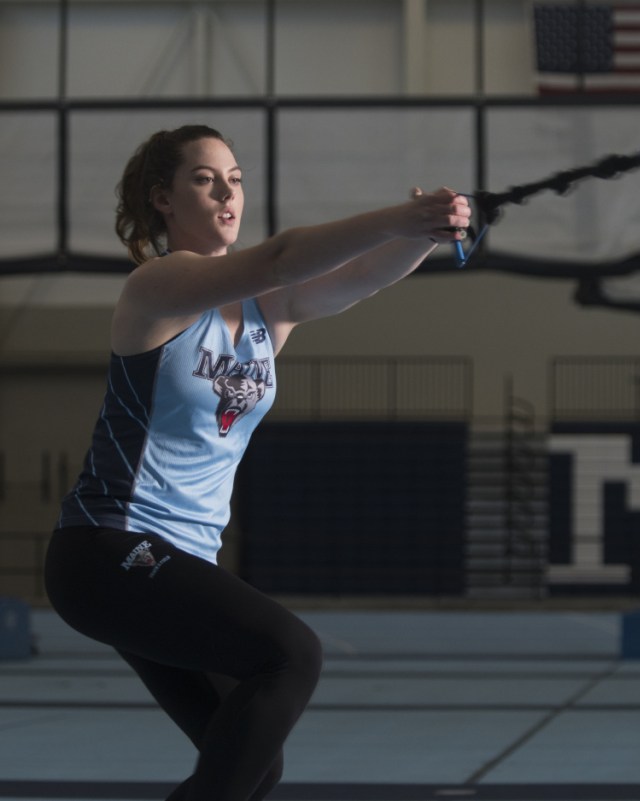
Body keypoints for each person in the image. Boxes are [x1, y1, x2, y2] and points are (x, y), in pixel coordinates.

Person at [44, 124, 471, 801]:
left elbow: (359, 279)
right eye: (205, 179)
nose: (226, 193)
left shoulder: (267, 313)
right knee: (293, 654)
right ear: (163, 198)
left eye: (236, 179)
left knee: (253, 761)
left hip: (176, 558)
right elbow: (281, 258)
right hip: (107, 549)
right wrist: (399, 215)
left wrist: (425, 233)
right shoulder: (160, 287)